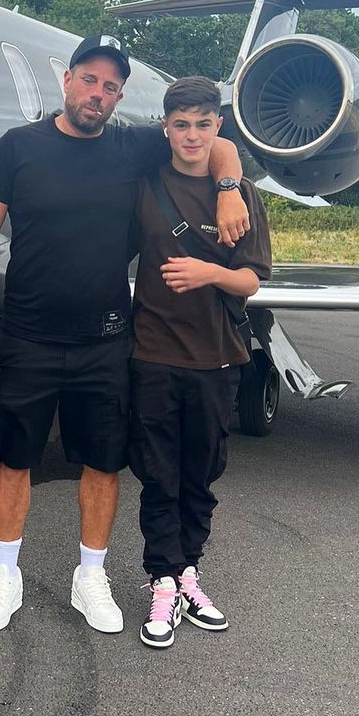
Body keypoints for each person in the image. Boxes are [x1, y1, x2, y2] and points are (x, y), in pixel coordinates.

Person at [0, 35, 250, 634]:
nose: (98, 93)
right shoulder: (19, 147)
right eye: (89, 79)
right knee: (14, 458)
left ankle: (90, 576)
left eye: (110, 86)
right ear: (67, 81)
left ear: (119, 97)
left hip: (107, 340)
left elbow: (215, 141)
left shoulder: (131, 146)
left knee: (104, 462)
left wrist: (227, 192)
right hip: (28, 334)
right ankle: (5, 573)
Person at [129, 75, 271, 648]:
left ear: (218, 127)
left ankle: (189, 570)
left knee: (201, 474)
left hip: (217, 358)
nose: (192, 135)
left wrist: (209, 272)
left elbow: (252, 279)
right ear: (166, 127)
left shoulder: (242, 195)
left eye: (203, 125)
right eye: (181, 124)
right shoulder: (145, 184)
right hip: (153, 354)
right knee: (158, 475)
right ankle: (162, 581)